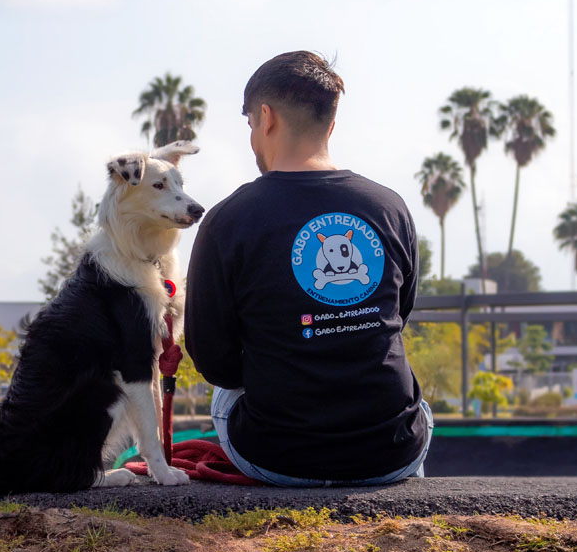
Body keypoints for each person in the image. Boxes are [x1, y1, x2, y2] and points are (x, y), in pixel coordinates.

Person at [184, 50, 432, 486]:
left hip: (277, 456)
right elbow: (396, 315)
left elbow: (215, 362)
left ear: (266, 118)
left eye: (249, 127)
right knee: (411, 399)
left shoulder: (228, 220)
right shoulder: (389, 208)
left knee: (226, 394)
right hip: (392, 451)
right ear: (331, 125)